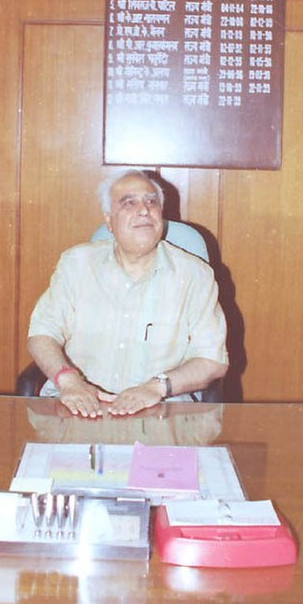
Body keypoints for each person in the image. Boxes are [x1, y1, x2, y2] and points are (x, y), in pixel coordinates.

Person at [27, 169, 228, 418]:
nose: (144, 210)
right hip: (77, 402)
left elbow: (212, 360)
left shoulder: (195, 276)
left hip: (161, 409)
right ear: (109, 221)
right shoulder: (77, 264)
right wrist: (68, 380)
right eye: (129, 203)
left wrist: (156, 387)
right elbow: (42, 333)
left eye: (151, 201)